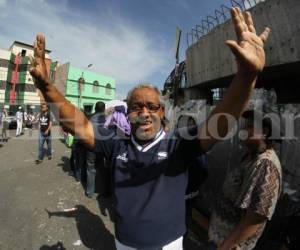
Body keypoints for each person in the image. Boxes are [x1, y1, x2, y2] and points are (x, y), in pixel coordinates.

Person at [29, 7, 270, 250]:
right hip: (123, 244)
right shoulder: (116, 145)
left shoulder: (179, 145)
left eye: (151, 107)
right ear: (128, 112)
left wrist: (247, 76)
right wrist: (46, 87)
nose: (144, 113)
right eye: (136, 107)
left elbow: (220, 123)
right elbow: (78, 125)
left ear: (162, 112)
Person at [208, 110, 282, 250]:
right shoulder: (251, 158)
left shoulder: (266, 165)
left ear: (264, 132)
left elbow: (255, 217)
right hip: (219, 239)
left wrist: (225, 246)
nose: (243, 131)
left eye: (249, 127)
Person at [86, 101, 106, 198]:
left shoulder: (89, 117)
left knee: (91, 169)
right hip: (103, 147)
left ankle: (90, 192)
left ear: (95, 108)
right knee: (102, 168)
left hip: (91, 146)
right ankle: (103, 191)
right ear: (103, 109)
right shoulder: (107, 118)